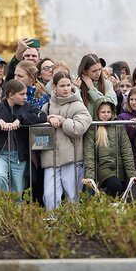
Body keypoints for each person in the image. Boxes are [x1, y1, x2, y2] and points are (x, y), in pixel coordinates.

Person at [0, 79, 47, 195]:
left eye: (25, 94)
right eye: (22, 94)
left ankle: (13, 211)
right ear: (11, 95)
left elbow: (42, 115)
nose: (25, 97)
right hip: (0, 155)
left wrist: (21, 120)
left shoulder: (27, 107)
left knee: (17, 191)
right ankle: (2, 205)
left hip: (19, 156)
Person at [40, 72, 92, 210]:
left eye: (68, 85)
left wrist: (62, 121)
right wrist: (48, 119)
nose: (66, 88)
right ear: (54, 87)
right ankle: (51, 224)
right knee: (50, 195)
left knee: (72, 196)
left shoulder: (79, 105)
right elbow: (39, 122)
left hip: (72, 158)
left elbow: (79, 129)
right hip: (51, 157)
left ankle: (73, 225)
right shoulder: (47, 106)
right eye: (62, 85)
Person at [82, 98, 136, 197]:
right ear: (97, 113)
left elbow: (127, 151)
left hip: (119, 168)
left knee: (118, 194)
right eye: (103, 112)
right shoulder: (92, 129)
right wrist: (89, 177)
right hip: (103, 169)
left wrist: (132, 175)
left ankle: (105, 207)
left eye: (108, 112)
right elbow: (89, 154)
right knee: (115, 186)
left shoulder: (118, 127)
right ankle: (102, 202)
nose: (106, 114)